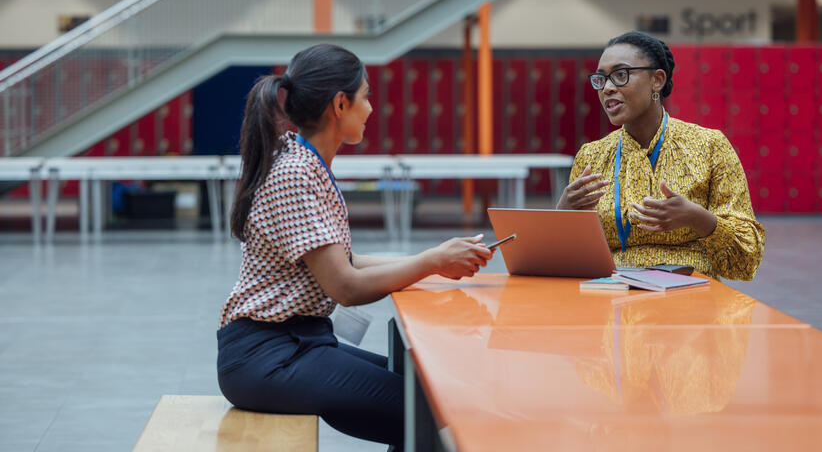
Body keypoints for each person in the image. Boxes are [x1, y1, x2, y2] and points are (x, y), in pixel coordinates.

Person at [217, 44, 493, 449]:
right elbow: (345, 286)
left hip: (299, 344)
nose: (371, 108)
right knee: (428, 411)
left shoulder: (306, 162)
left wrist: (435, 259)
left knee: (425, 395)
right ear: (340, 104)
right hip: (268, 356)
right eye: (366, 96)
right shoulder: (295, 173)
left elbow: (344, 262)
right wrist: (431, 261)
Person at [557, 31, 764, 281]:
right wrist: (564, 213)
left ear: (657, 80)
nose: (608, 88)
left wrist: (698, 218)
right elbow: (570, 261)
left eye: (620, 75)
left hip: (691, 297)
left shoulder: (710, 145)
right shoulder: (592, 155)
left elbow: (746, 261)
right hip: (611, 296)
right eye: (601, 79)